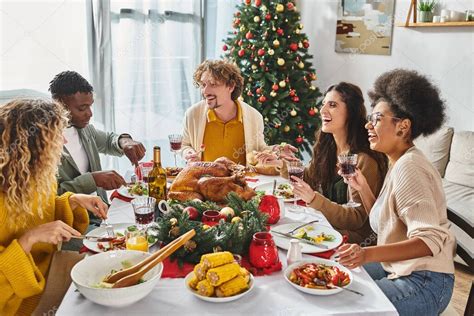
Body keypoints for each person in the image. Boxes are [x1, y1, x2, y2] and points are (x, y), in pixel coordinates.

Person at [337, 69, 455, 315]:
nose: (368, 125)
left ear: (403, 127)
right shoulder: (399, 161)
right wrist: (364, 188)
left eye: (377, 118)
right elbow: (386, 224)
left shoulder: (409, 167)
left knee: (343, 305)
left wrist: (365, 253)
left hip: (425, 281)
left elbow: (428, 241)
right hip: (401, 268)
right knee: (334, 278)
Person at [0, 99, 109, 315]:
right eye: (56, 134)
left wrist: (72, 200)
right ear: (31, 143)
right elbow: (32, 230)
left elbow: (40, 212)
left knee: (111, 273)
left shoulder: (39, 175)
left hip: (49, 267)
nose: (64, 140)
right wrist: (28, 240)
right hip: (20, 300)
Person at [291, 82, 387, 244]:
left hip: (356, 239)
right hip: (328, 225)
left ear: (351, 112)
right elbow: (309, 177)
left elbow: (356, 219)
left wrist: (315, 199)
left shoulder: (363, 160)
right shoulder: (328, 146)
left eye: (333, 105)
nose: (322, 111)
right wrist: (283, 164)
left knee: (297, 236)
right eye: (323, 105)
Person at [49, 71, 146, 204]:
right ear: (59, 105)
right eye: (82, 108)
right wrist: (93, 180)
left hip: (101, 214)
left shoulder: (85, 129)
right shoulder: (43, 143)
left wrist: (125, 141)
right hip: (73, 222)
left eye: (90, 105)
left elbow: (108, 141)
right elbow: (51, 198)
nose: (90, 114)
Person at [181, 59, 296, 165]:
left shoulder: (254, 117)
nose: (205, 91)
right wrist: (188, 153)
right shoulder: (192, 115)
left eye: (213, 84)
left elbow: (258, 149)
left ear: (231, 86)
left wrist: (277, 150)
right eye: (203, 85)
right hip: (204, 182)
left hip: (239, 183)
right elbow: (185, 145)